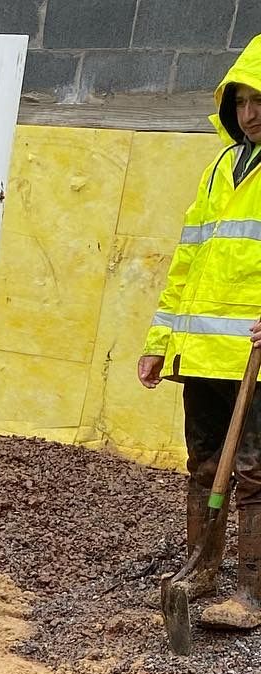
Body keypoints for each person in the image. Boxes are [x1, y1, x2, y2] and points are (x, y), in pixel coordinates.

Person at [140, 41, 261, 631]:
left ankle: (252, 591)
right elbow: (187, 261)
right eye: (240, 102)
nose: (250, 114)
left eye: (260, 100)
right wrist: (159, 341)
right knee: (205, 466)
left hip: (254, 357)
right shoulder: (220, 168)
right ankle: (202, 569)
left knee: (256, 473)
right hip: (205, 352)